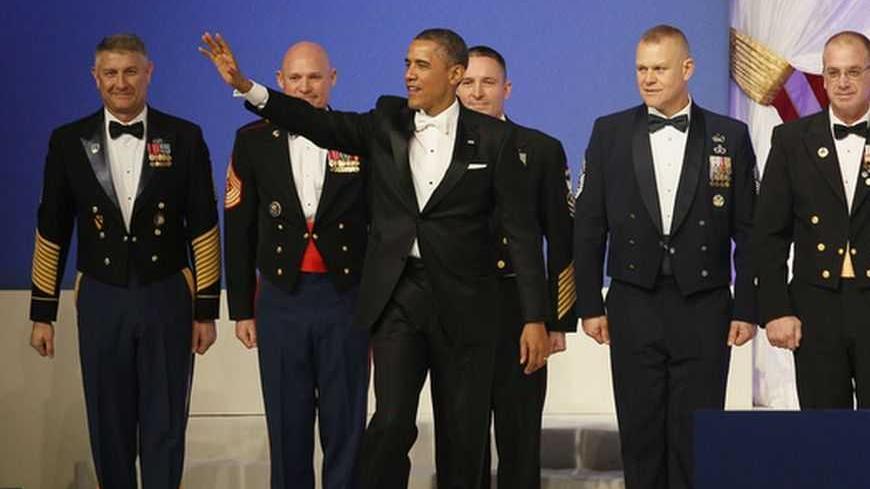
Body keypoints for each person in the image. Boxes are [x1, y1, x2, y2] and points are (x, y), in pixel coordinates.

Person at [200, 28, 550, 489]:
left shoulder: (494, 139)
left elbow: (522, 234)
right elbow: (318, 124)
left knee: (463, 435)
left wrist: (534, 316)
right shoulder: (387, 120)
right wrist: (247, 87)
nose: (409, 74)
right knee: (389, 422)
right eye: (407, 63)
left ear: (455, 73)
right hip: (399, 297)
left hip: (468, 304)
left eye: (422, 66)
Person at [28, 33, 220, 489]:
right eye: (110, 73)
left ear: (149, 72)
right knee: (108, 425)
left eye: (130, 71)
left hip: (167, 294)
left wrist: (206, 311)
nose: (120, 82)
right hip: (101, 296)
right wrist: (42, 313)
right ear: (95, 78)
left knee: (166, 422)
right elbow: (52, 226)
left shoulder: (186, 136)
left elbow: (205, 226)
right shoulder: (67, 141)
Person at [574, 25, 756, 489]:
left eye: (659, 68)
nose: (648, 79)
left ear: (687, 69)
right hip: (633, 302)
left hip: (705, 303)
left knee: (696, 431)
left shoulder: (729, 134)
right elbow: (590, 224)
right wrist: (590, 304)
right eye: (641, 69)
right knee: (640, 431)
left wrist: (747, 307)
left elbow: (749, 230)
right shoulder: (609, 131)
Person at [223, 41, 370, 489]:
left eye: (315, 78)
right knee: (287, 425)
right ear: (280, 80)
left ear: (333, 80)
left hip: (346, 300)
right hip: (281, 301)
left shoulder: (356, 136)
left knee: (346, 425)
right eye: (296, 78)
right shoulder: (251, 141)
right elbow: (238, 226)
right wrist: (243, 309)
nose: (305, 87)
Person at [456, 45, 575, 489]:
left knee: (520, 434)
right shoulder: (432, 147)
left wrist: (557, 318)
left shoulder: (540, 149)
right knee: (463, 439)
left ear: (507, 89)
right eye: (467, 82)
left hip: (520, 310)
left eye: (488, 82)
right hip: (457, 309)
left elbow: (561, 236)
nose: (477, 92)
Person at [754, 31, 870, 408]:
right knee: (824, 435)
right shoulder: (791, 140)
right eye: (833, 73)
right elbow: (769, 234)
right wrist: (775, 309)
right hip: (816, 308)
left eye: (853, 71)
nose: (842, 82)